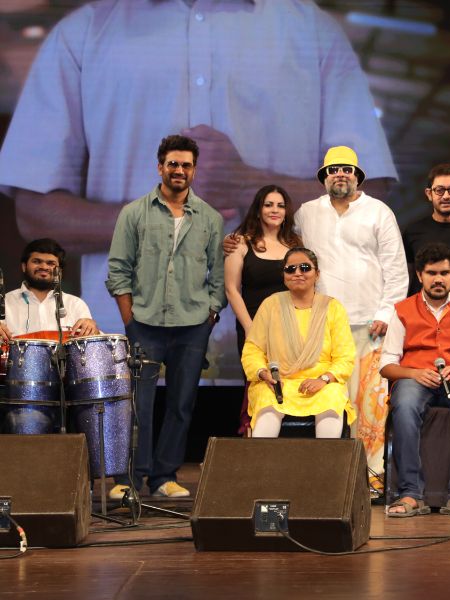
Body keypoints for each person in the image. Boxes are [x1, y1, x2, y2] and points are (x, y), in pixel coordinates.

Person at [0, 1, 396, 375]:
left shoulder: (315, 32)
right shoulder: (82, 34)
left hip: (292, 349)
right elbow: (35, 212)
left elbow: (370, 195)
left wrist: (245, 183)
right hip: (121, 355)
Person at [105, 135, 225, 499]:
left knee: (181, 405)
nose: (179, 170)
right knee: (137, 405)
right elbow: (118, 269)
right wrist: (129, 319)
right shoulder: (134, 213)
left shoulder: (210, 217)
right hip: (144, 323)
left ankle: (164, 478)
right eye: (173, 163)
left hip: (192, 326)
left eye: (186, 165)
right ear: (160, 167)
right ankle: (129, 480)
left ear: (194, 170)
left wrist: (210, 314)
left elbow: (218, 275)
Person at [294, 145, 408, 496]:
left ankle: (371, 479)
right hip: (323, 327)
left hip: (370, 326)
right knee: (327, 404)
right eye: (333, 170)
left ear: (358, 176)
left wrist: (385, 313)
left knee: (370, 410)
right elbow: (284, 247)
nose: (340, 174)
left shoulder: (379, 211)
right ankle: (328, 481)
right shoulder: (306, 213)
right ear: (324, 177)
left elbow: (396, 268)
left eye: (347, 169)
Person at [380, 243, 450, 517]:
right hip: (415, 379)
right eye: (432, 273)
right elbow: (386, 365)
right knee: (405, 404)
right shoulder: (403, 310)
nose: (438, 279)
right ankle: (410, 493)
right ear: (419, 275)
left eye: (444, 273)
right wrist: (413, 373)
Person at [242, 248, 355, 437]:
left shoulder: (333, 307)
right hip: (278, 383)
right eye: (290, 269)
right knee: (267, 400)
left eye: (305, 268)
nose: (297, 273)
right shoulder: (270, 305)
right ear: (284, 275)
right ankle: (261, 458)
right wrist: (263, 373)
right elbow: (253, 349)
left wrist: (323, 380)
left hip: (322, 383)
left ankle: (325, 457)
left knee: (332, 397)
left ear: (317, 274)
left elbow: (345, 357)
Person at [225, 185, 302, 434]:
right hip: (253, 328)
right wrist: (250, 328)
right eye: (268, 205)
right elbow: (231, 289)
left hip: (289, 329)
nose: (274, 210)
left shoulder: (295, 244)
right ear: (258, 210)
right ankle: (253, 439)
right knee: (257, 383)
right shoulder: (241, 243)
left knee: (285, 386)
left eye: (280, 205)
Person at [402, 164, 450, 298]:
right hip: (420, 309)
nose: (446, 196)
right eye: (439, 190)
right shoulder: (412, 231)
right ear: (429, 194)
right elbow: (403, 277)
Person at [0, 238, 98, 343]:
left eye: (50, 263)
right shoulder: (4, 302)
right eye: (37, 261)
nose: (43, 267)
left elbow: (92, 346)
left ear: (60, 272)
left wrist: (93, 331)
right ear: (24, 267)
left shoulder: (75, 304)